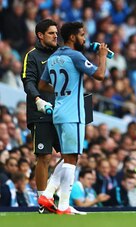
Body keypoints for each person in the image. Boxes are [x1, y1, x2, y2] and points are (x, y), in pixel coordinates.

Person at [38, 21, 108, 215]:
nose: (85, 39)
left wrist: (61, 90)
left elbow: (42, 85)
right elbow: (100, 75)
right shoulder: (75, 56)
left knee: (69, 157)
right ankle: (63, 205)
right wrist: (102, 57)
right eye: (82, 35)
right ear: (72, 37)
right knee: (71, 159)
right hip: (73, 113)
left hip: (59, 111)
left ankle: (49, 194)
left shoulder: (53, 58)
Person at [20, 19, 62, 213]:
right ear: (40, 35)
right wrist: (38, 99)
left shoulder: (63, 54)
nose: (55, 36)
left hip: (63, 112)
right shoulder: (32, 56)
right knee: (44, 157)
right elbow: (28, 81)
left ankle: (53, 193)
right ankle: (42, 202)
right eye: (52, 33)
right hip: (41, 112)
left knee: (71, 156)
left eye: (56, 33)